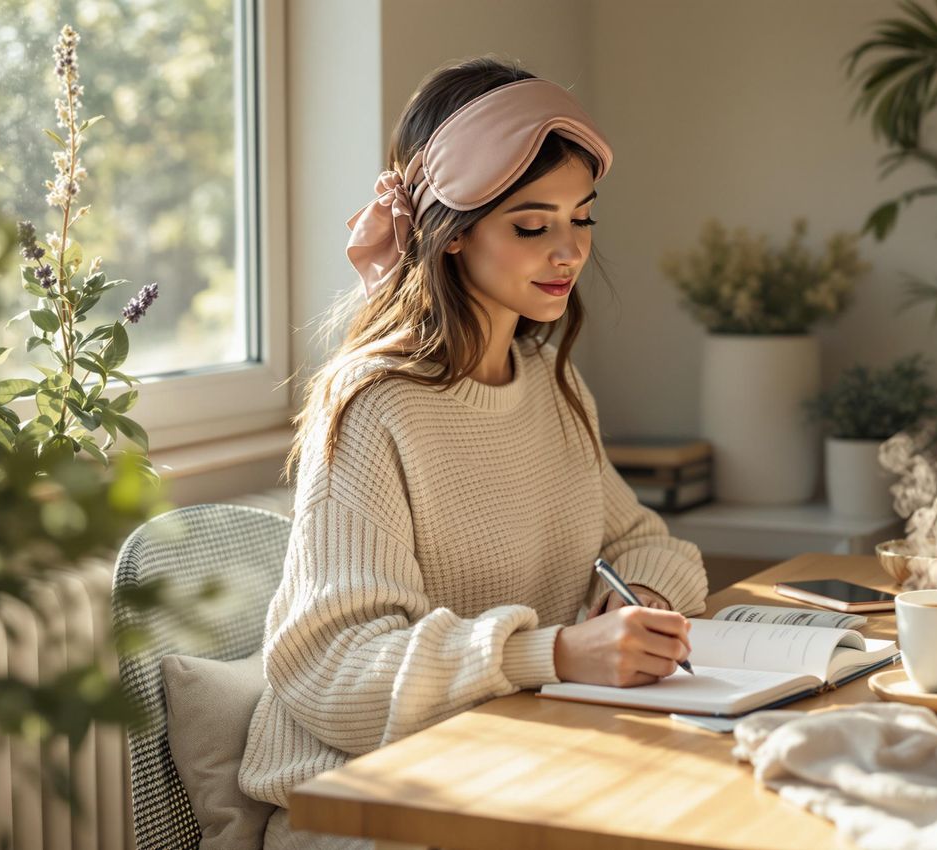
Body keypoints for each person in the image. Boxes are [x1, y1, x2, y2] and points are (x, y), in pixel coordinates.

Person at [238, 56, 709, 850]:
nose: (569, 251)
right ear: (449, 237)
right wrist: (552, 652)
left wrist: (640, 608)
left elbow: (645, 545)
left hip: (518, 765)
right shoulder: (372, 407)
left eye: (582, 217)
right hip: (373, 808)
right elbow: (333, 670)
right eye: (532, 226)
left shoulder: (550, 385)